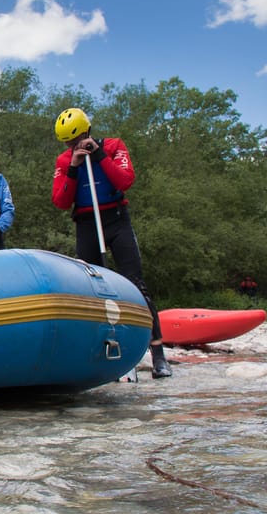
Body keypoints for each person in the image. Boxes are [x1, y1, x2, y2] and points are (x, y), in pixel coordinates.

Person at [51, 108, 171, 379]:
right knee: (91, 290)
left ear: (87, 132)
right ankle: (101, 356)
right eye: (68, 143)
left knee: (136, 283)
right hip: (86, 224)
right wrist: (73, 168)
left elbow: (125, 180)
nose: (73, 146)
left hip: (116, 221)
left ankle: (159, 355)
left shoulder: (114, 146)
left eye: (76, 140)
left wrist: (99, 155)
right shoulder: (64, 160)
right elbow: (60, 201)